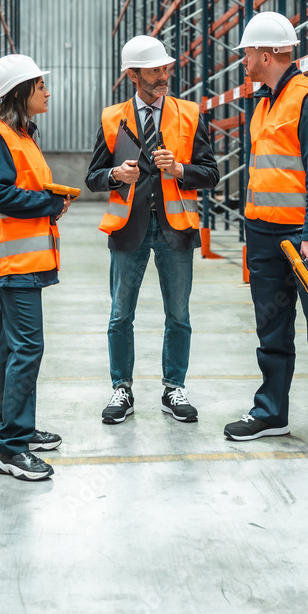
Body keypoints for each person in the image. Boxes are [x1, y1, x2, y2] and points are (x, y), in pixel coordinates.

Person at [223, 12, 308, 464]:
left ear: (266, 54)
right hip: (263, 237)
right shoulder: (262, 103)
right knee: (271, 330)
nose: (243, 61)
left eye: (246, 54)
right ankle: (271, 412)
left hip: (305, 237)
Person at [86, 35, 219, 424]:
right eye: (155, 71)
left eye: (165, 68)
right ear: (133, 75)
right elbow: (93, 177)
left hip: (175, 229)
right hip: (128, 230)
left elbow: (210, 173)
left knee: (178, 314)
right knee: (119, 315)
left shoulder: (189, 113)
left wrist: (180, 170)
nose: (164, 76)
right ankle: (121, 388)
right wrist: (116, 174)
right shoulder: (113, 118)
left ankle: (174, 388)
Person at [0, 54, 72, 481]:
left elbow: (21, 189)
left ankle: (19, 431)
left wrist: (50, 202)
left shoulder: (21, 135)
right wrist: (49, 204)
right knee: (28, 349)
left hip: (22, 260)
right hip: (15, 263)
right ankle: (10, 448)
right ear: (20, 92)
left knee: (12, 349)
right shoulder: (0, 139)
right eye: (40, 85)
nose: (47, 92)